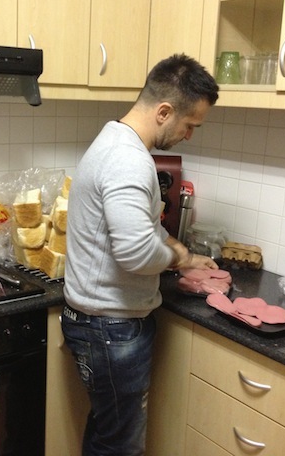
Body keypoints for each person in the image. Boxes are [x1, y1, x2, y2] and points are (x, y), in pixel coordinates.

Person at [61, 54, 220, 456]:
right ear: (164, 112)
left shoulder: (113, 140)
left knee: (108, 434)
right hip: (110, 329)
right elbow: (134, 252)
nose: (189, 135)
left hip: (99, 324)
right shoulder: (128, 160)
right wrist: (177, 257)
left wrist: (179, 253)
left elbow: (137, 231)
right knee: (121, 446)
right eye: (189, 125)